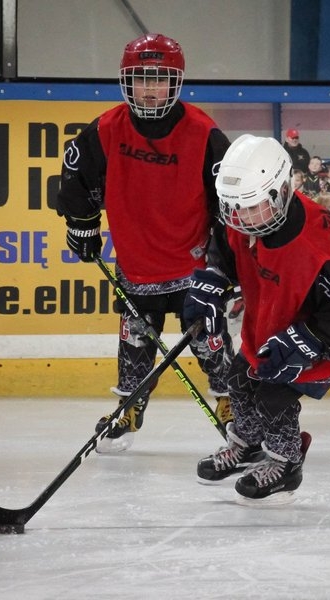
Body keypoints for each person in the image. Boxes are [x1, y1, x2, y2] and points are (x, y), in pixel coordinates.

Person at [55, 33, 235, 452]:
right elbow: (75, 180)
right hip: (137, 263)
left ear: (176, 82)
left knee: (210, 338)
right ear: (126, 81)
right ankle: (129, 409)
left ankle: (232, 402)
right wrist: (82, 224)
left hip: (192, 265)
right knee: (135, 339)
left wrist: (229, 263)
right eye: (141, 79)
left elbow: (229, 203)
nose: (150, 89)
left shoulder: (204, 133)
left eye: (160, 79)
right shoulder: (105, 129)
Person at [183, 134, 330, 504]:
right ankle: (250, 444)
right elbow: (225, 253)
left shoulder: (313, 244)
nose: (240, 217)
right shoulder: (246, 216)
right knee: (239, 377)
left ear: (282, 190)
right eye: (233, 206)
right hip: (275, 315)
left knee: (272, 392)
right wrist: (211, 281)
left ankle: (286, 463)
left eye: (251, 206)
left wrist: (306, 340)